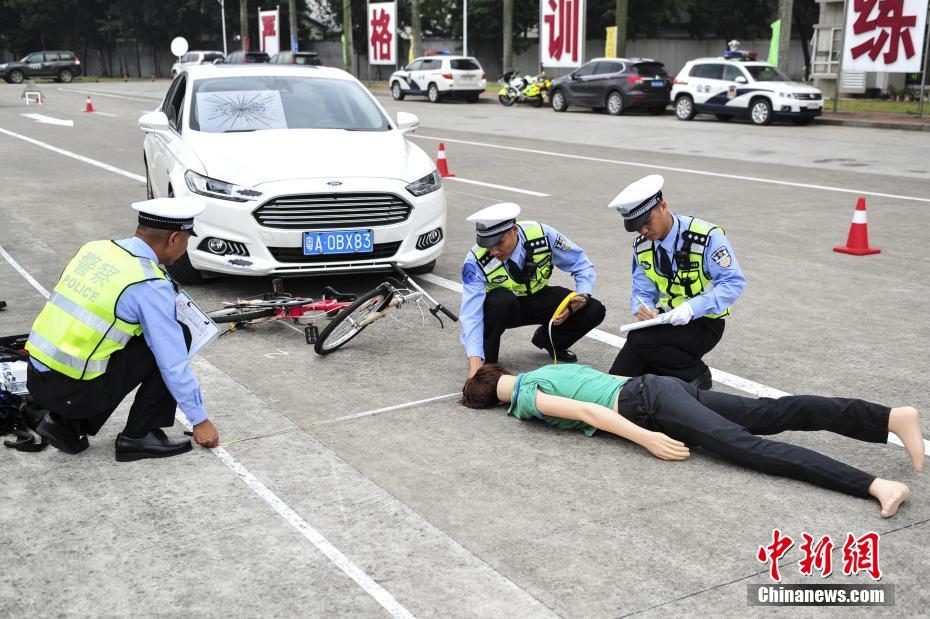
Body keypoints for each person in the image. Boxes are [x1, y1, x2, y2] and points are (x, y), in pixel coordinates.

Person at [461, 363, 923, 518]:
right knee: (770, 412)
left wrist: (647, 438)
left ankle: (875, 484)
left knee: (748, 446)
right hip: (657, 388)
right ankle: (888, 417)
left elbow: (587, 412)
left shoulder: (524, 397)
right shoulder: (542, 371)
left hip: (651, 407)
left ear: (489, 400)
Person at [25, 198, 220, 461]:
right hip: (73, 395)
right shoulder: (149, 283)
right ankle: (138, 436)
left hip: (37, 381)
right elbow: (171, 362)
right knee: (177, 337)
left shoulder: (94, 249)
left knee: (121, 335)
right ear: (174, 238)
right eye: (186, 240)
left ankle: (64, 423)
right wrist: (200, 420)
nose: (185, 249)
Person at [607, 175, 746, 389]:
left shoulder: (706, 236)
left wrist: (691, 308)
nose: (643, 231)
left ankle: (696, 376)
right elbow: (642, 291)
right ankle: (669, 377)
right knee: (616, 381)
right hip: (667, 320)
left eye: (646, 222)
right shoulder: (642, 246)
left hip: (704, 322)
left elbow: (733, 283)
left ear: (663, 206)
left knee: (640, 339)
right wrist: (643, 308)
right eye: (636, 226)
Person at [460, 202, 606, 379]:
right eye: (487, 245)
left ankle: (549, 340)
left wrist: (582, 295)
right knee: (500, 300)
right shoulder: (475, 261)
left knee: (593, 309)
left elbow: (580, 262)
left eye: (499, 243)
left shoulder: (542, 235)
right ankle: (488, 364)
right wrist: (475, 363)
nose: (494, 251)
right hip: (504, 309)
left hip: (539, 298)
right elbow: (471, 315)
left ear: (514, 230)